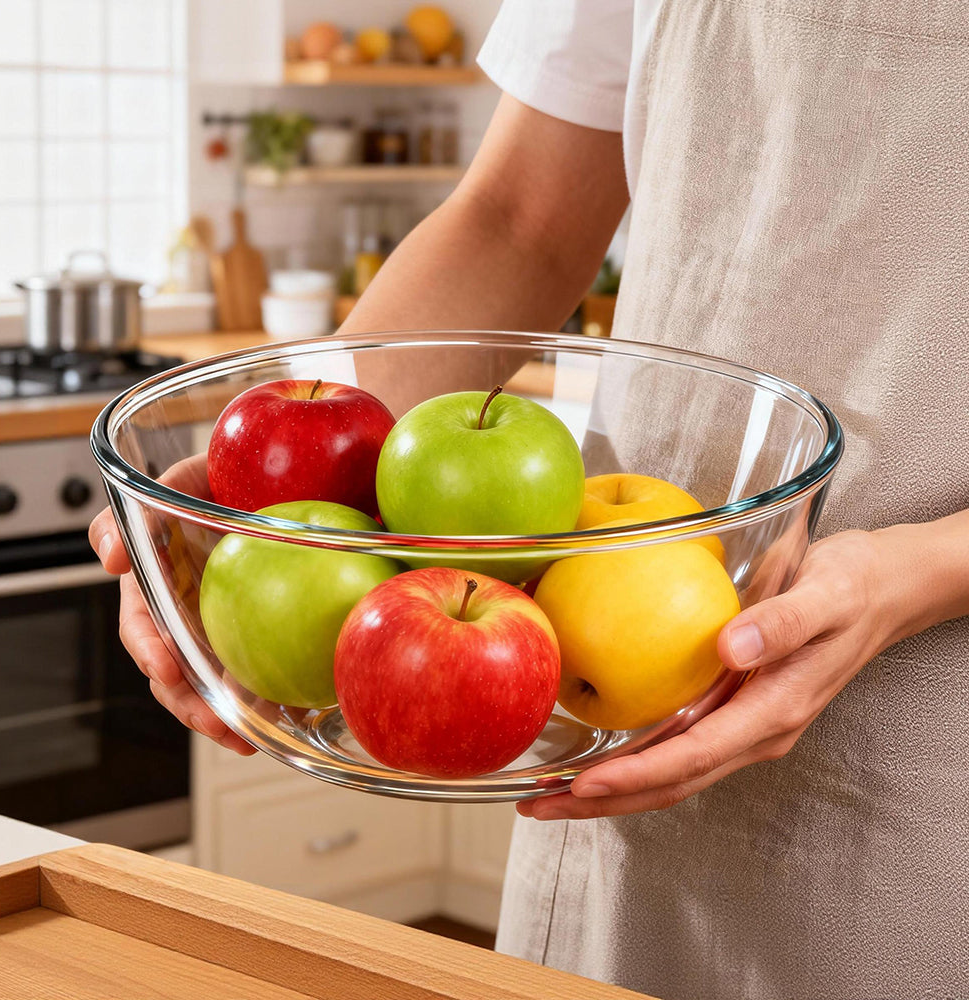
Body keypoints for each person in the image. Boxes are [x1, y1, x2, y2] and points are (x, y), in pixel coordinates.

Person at [90, 1, 969, 997]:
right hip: (588, 685)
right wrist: (273, 487)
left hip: (935, 746)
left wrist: (918, 574)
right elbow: (518, 219)